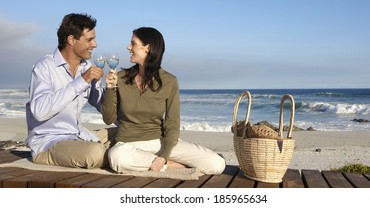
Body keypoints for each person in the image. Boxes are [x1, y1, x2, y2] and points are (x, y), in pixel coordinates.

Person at [101, 27, 226, 174]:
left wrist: (164, 156)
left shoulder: (169, 81)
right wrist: (110, 88)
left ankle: (157, 162)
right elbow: (108, 119)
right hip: (128, 145)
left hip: (160, 142)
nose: (128, 47)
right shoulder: (121, 78)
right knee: (116, 157)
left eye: (133, 43)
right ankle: (168, 166)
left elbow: (172, 123)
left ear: (147, 48)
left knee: (216, 164)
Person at [25, 13, 114, 169]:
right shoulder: (44, 67)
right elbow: (39, 111)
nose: (95, 44)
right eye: (89, 40)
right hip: (50, 142)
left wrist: (110, 89)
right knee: (95, 154)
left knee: (131, 133)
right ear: (71, 40)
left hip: (78, 135)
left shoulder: (86, 67)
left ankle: (120, 153)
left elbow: (104, 109)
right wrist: (81, 81)